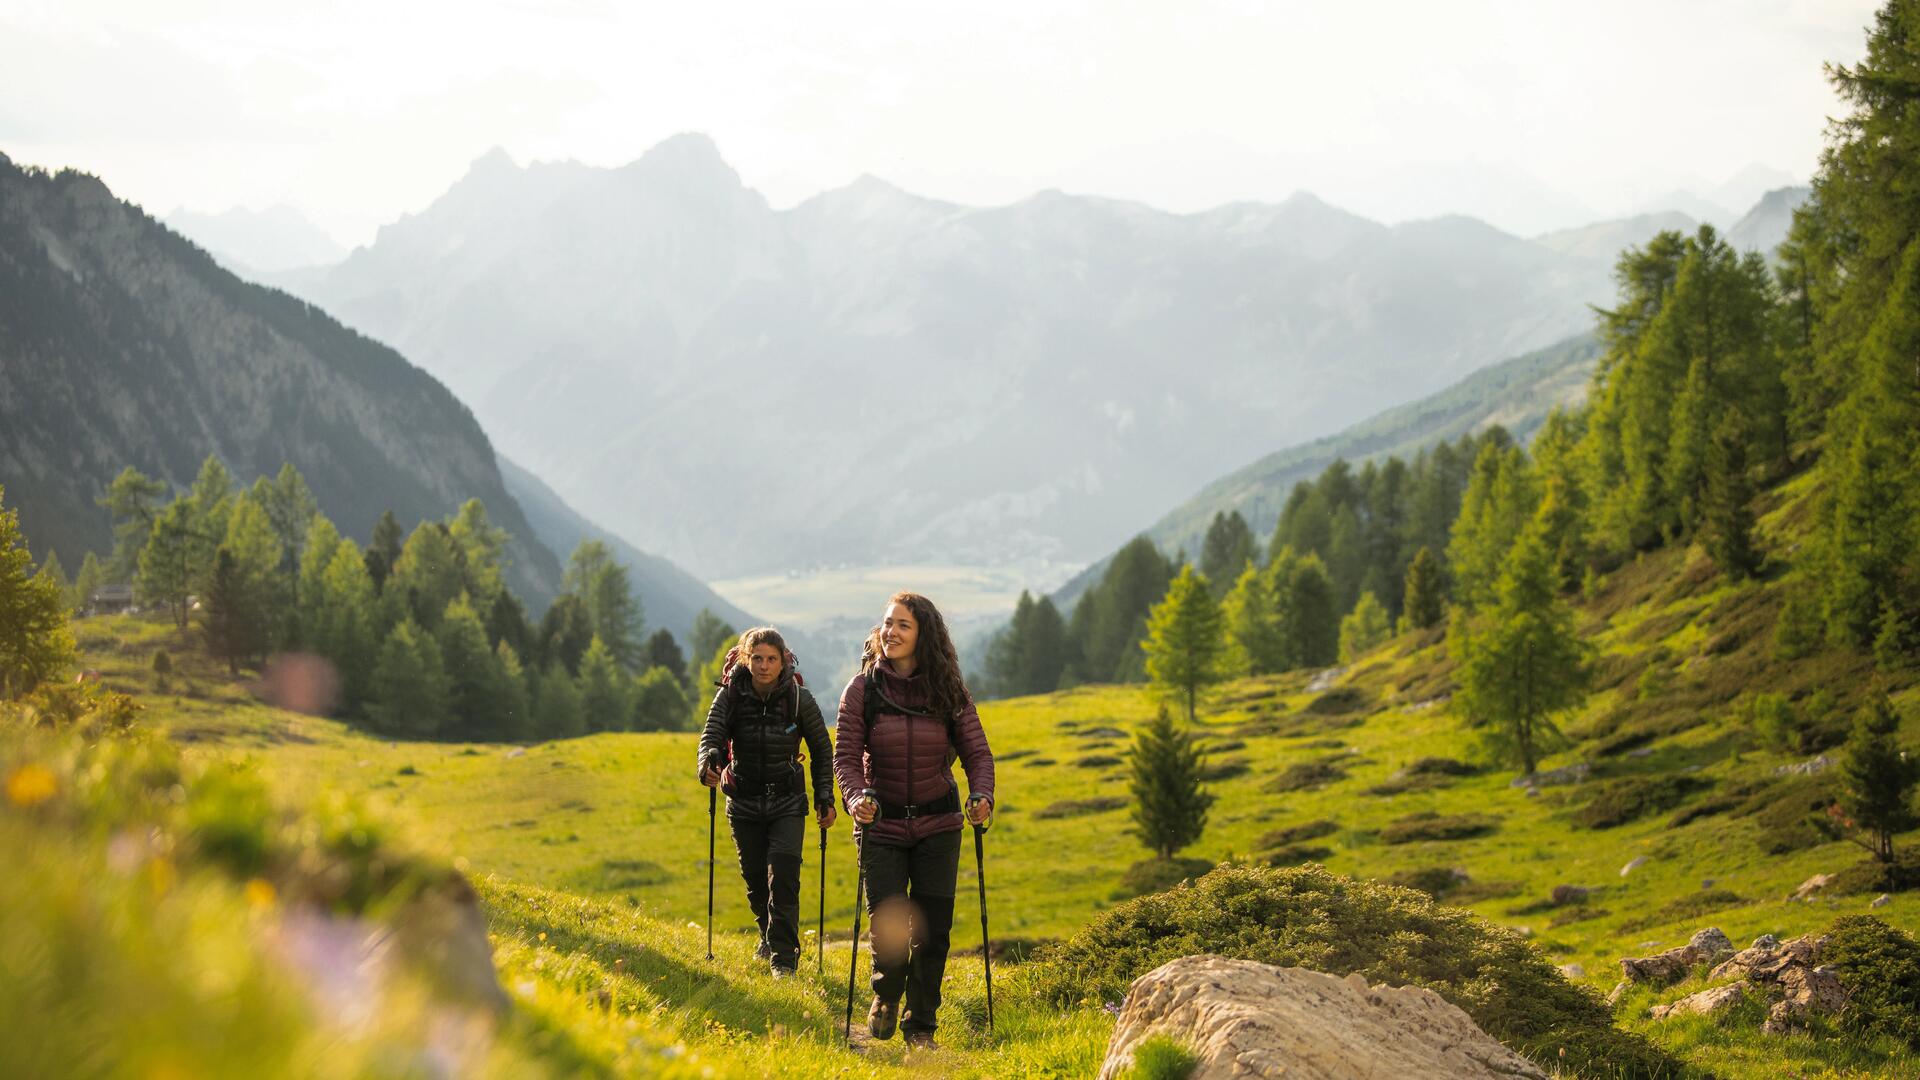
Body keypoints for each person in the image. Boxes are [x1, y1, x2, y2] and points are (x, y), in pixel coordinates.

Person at [834, 591, 995, 1049]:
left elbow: (977, 754)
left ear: (924, 634)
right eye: (888, 623)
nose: (891, 632)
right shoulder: (862, 690)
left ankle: (921, 1026)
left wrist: (982, 794)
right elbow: (845, 758)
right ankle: (885, 994)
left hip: (939, 826)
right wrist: (854, 798)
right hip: (880, 824)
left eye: (903, 625)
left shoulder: (949, 691)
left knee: (932, 931)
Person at [697, 627, 836, 976]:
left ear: (782, 660)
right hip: (743, 802)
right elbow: (711, 734)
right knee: (756, 881)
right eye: (757, 658)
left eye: (771, 658)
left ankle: (784, 961)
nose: (763, 665)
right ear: (746, 659)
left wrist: (824, 796)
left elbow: (821, 748)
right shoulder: (730, 696)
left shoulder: (798, 697)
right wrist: (708, 765)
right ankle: (767, 934)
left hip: (787, 801)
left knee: (784, 878)